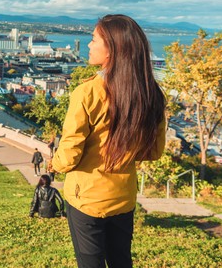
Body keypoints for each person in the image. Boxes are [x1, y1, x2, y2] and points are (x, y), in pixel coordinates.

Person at [53, 14, 167, 268]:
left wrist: (54, 164)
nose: (89, 45)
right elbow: (154, 151)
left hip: (87, 198)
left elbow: (69, 155)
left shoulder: (88, 92)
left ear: (112, 48)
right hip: (123, 196)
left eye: (94, 40)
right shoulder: (150, 93)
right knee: (121, 261)